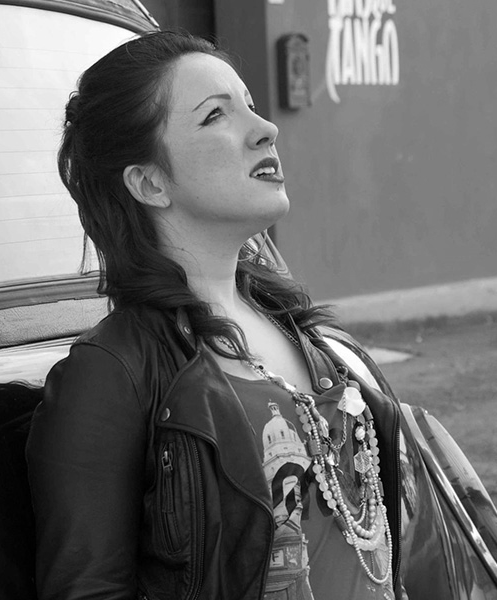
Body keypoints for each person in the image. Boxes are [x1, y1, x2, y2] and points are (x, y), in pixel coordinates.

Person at [27, 30, 405, 600]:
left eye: (250, 105)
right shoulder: (112, 373)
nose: (266, 128)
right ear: (149, 182)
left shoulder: (297, 327)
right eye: (215, 116)